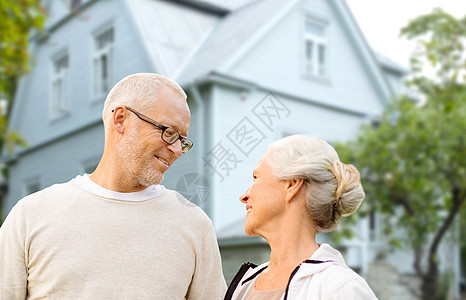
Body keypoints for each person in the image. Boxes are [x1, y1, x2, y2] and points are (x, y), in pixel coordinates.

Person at [0, 73, 226, 299]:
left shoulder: (195, 226)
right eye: (169, 133)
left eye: (183, 141)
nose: (177, 150)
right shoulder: (30, 216)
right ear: (120, 119)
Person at [225, 134, 378, 300]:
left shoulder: (342, 288)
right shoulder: (245, 286)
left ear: (291, 185)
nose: (243, 196)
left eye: (256, 177)